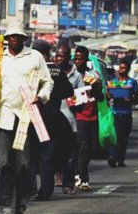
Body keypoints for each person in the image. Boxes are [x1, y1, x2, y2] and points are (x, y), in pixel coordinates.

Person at [0, 21, 53, 214]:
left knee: (24, 163)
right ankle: (6, 204)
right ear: (7, 39)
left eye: (19, 36)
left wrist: (41, 97)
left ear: (24, 39)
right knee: (3, 163)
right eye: (12, 36)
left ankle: (21, 202)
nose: (15, 39)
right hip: (2, 117)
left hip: (25, 117)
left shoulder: (34, 57)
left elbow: (47, 82)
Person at [30, 40, 74, 201]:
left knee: (29, 154)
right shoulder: (56, 70)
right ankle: (45, 190)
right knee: (45, 155)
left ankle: (30, 189)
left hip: (30, 117)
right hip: (51, 117)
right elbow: (68, 91)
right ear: (47, 54)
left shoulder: (28, 68)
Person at [73, 45, 104, 192]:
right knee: (83, 148)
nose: (78, 61)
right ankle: (83, 179)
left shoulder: (93, 75)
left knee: (93, 148)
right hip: (79, 117)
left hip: (93, 116)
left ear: (86, 60)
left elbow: (101, 97)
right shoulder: (71, 76)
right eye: (76, 58)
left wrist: (96, 87)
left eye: (81, 59)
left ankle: (78, 172)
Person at [54, 44, 84, 195]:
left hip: (70, 120)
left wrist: (75, 101)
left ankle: (68, 183)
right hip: (52, 119)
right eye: (57, 56)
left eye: (62, 56)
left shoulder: (77, 76)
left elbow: (81, 99)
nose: (58, 59)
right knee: (52, 151)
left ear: (68, 58)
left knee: (70, 155)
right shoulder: (50, 73)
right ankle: (56, 177)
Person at [107, 60, 138, 168]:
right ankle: (112, 156)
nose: (121, 70)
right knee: (115, 136)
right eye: (120, 68)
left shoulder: (132, 82)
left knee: (124, 137)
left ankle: (121, 160)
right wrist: (109, 96)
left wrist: (130, 99)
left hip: (126, 114)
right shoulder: (113, 82)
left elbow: (136, 98)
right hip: (115, 113)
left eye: (124, 68)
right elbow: (107, 94)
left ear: (128, 69)